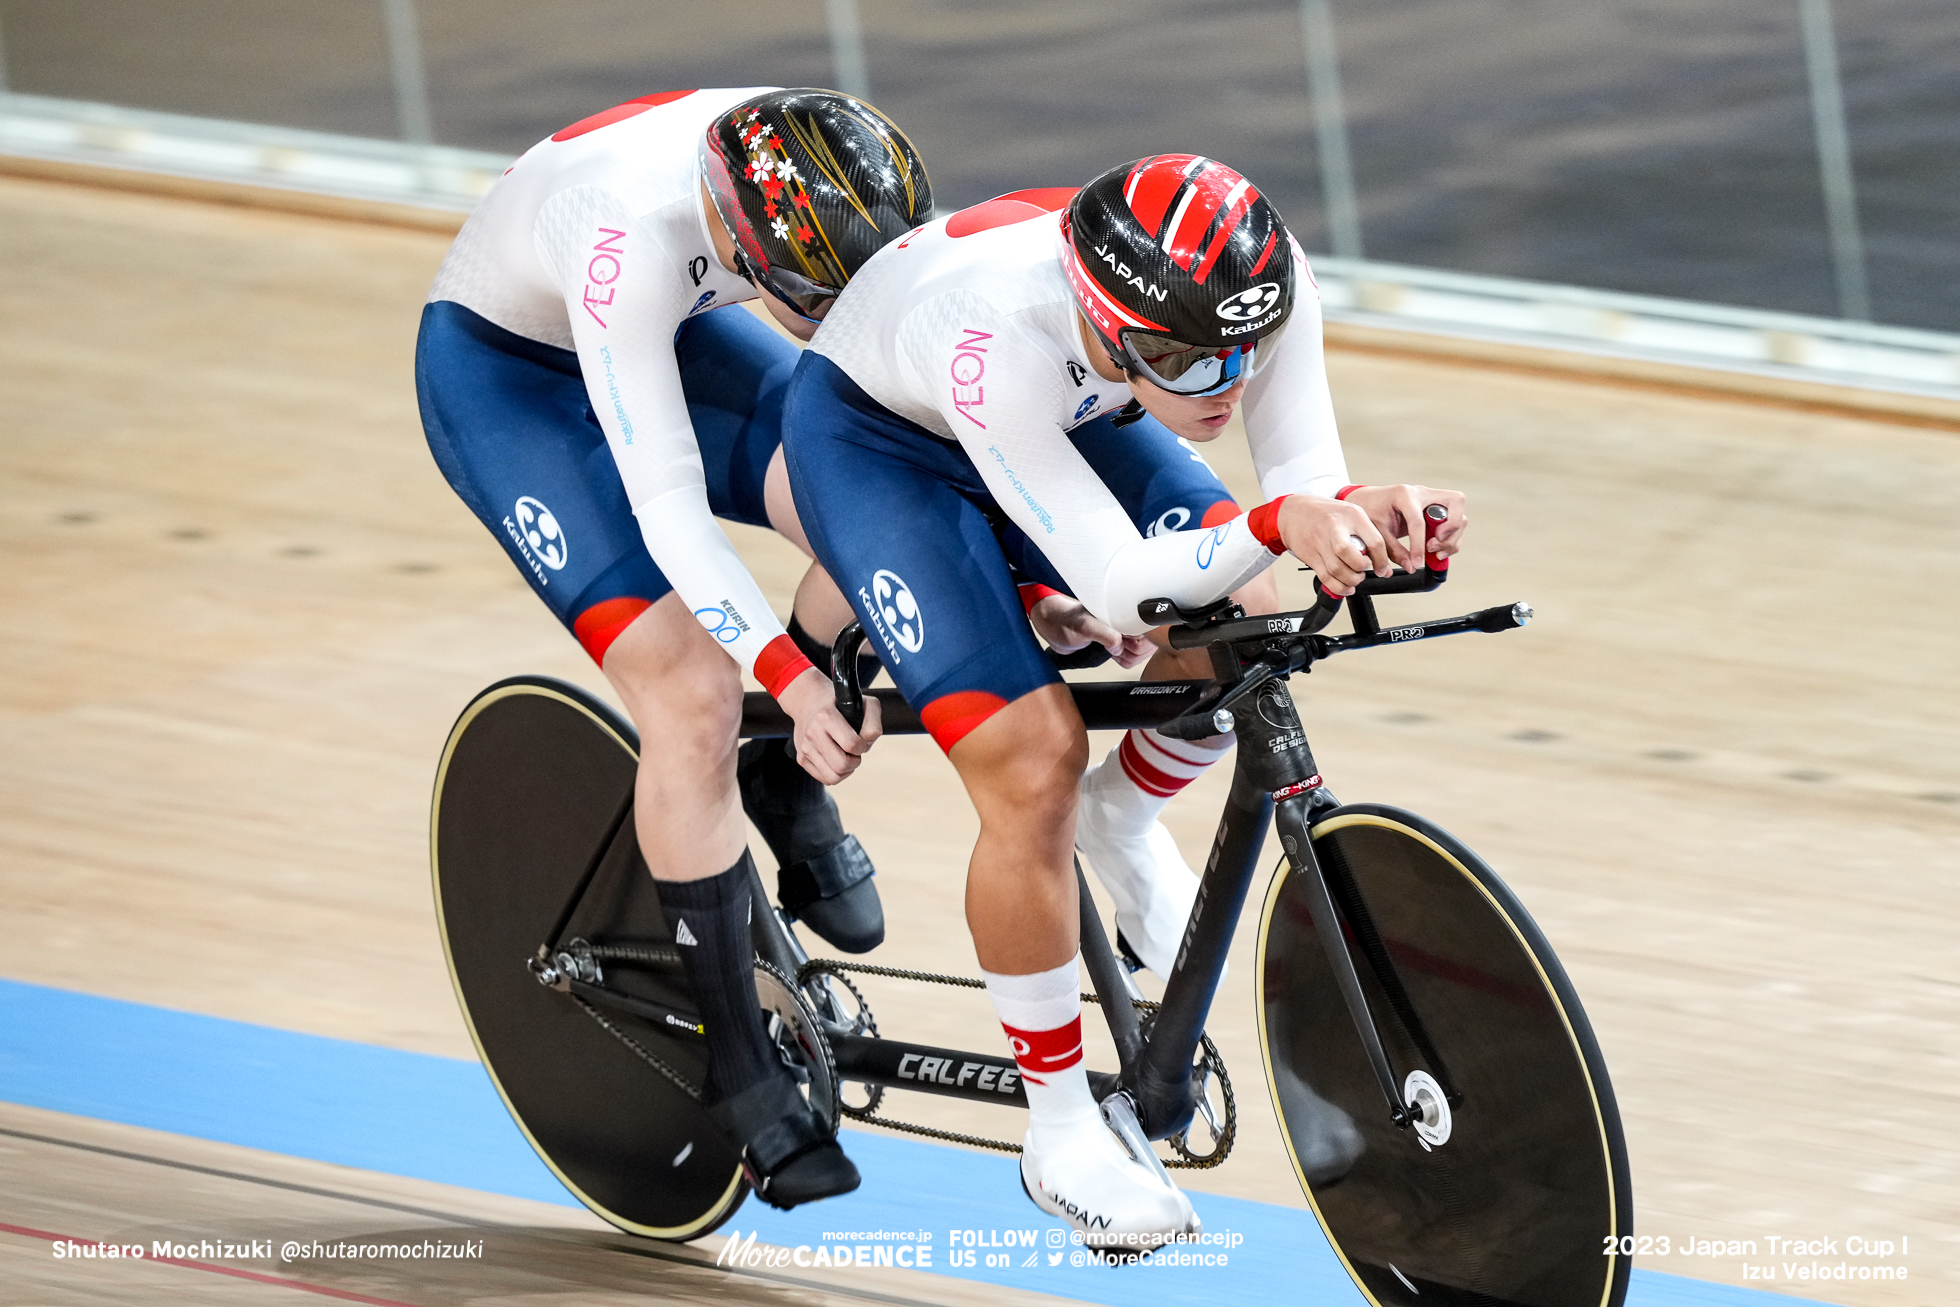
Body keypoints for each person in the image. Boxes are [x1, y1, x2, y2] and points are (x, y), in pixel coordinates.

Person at [781, 157, 1466, 1245]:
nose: (1217, 390)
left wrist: (1365, 519)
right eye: (1177, 359)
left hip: (1078, 403)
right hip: (888, 443)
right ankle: (1056, 1132)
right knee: (1031, 757)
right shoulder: (994, 333)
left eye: (1240, 354)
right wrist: (1275, 519)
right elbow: (1115, 583)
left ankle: (1125, 809)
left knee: (1244, 595)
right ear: (1104, 320)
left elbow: (1300, 481)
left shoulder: (1249, 282)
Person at [413, 87, 930, 1209]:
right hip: (513, 383)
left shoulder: (823, 172)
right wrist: (786, 677)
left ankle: (780, 783)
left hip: (677, 335)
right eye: (805, 300)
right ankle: (742, 1069)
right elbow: (668, 509)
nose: (826, 315)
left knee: (878, 498)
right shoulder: (623, 235)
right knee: (693, 693)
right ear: (742, 239)